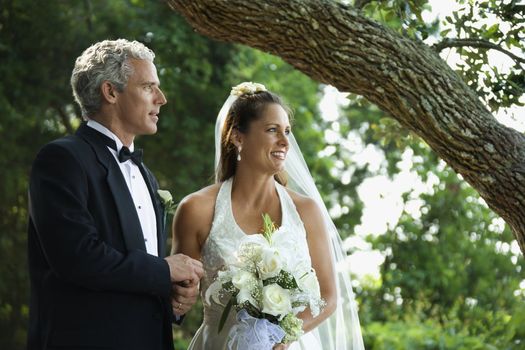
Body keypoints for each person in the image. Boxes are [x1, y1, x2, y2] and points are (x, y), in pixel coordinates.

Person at [27, 39, 204, 350]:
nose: (161, 99)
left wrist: (173, 298)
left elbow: (138, 271)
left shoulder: (147, 176)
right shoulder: (61, 159)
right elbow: (77, 257)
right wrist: (164, 270)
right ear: (111, 92)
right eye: (149, 87)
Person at [172, 82, 364, 349]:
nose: (285, 142)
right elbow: (180, 297)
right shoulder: (196, 208)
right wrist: (179, 296)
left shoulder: (306, 210)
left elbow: (329, 297)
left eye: (287, 131)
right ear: (238, 137)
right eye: (272, 130)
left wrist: (280, 338)